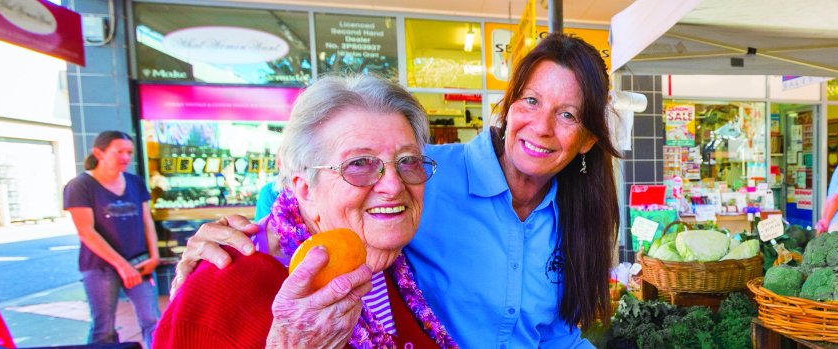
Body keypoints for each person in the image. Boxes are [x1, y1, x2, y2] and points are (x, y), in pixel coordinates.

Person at [171, 33, 620, 347]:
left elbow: (557, 334)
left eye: (568, 115)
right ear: (509, 106)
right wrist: (225, 245)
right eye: (531, 100)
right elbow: (294, 207)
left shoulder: (389, 274)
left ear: (587, 140)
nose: (392, 184)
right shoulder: (432, 176)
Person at [153, 75, 455, 348]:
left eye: (407, 160)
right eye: (359, 163)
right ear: (305, 188)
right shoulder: (222, 288)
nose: (393, 184)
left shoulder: (395, 259)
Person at [63, 131, 160, 347]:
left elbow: (147, 222)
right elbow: (86, 231)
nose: (126, 157)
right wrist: (122, 266)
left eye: (129, 152)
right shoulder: (80, 185)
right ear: (99, 153)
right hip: (100, 267)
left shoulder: (135, 182)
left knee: (152, 320)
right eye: (119, 151)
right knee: (103, 327)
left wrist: (154, 256)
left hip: (140, 262)